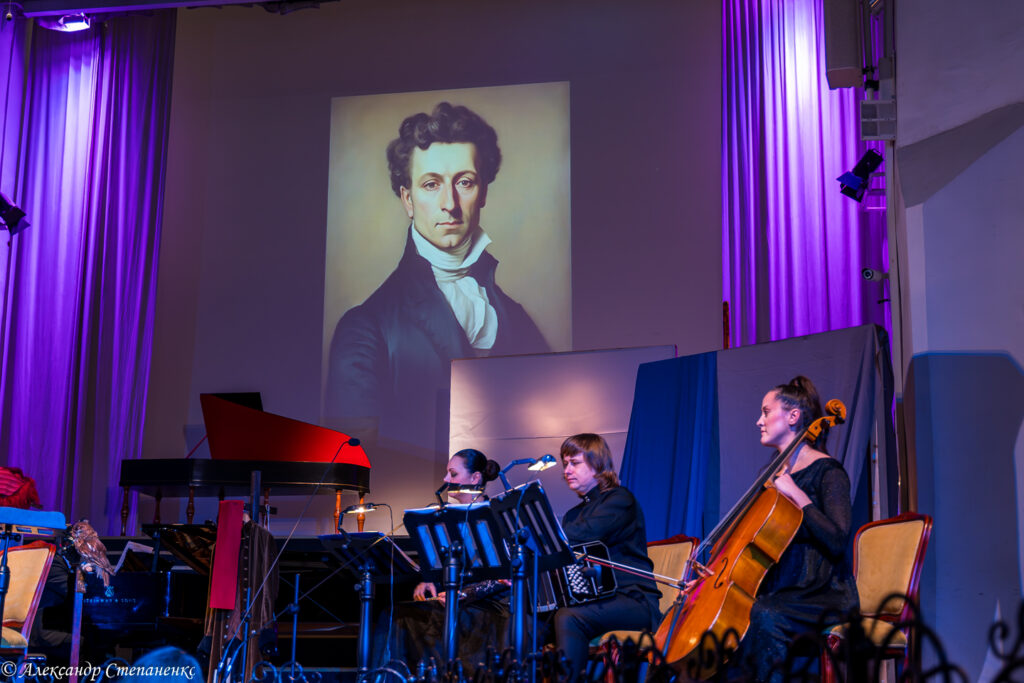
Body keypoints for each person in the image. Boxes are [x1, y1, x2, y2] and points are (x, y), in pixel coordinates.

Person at [325, 102, 549, 449]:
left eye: (465, 182)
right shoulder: (365, 329)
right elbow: (355, 461)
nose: (450, 203)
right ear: (408, 199)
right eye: (431, 184)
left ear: (483, 193)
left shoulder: (516, 319)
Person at [729, 375, 859, 682]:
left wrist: (798, 496)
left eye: (766, 412)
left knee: (764, 614)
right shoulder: (769, 475)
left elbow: (838, 539)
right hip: (780, 589)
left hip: (821, 594)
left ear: (793, 416)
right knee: (728, 620)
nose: (758, 421)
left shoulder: (828, 471)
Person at [373, 449, 510, 675]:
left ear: (475, 478)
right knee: (396, 613)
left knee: (455, 621)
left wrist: (464, 593)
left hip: (488, 604)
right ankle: (388, 678)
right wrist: (430, 578)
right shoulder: (443, 516)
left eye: (453, 474)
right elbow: (440, 561)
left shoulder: (494, 514)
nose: (446, 479)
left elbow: (504, 576)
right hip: (453, 598)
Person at [553, 433, 661, 682]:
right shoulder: (572, 515)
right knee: (525, 618)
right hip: (594, 601)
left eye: (574, 463)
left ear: (597, 464)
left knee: (569, 617)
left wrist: (541, 537)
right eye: (565, 463)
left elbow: (585, 533)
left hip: (633, 600)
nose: (567, 470)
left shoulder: (620, 499)